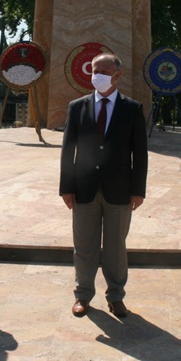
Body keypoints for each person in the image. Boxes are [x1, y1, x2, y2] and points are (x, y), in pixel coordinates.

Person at [60, 53, 148, 318]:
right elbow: (68, 149)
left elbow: (140, 153)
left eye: (103, 71)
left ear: (117, 75)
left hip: (119, 190)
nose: (97, 75)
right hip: (84, 189)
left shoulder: (132, 109)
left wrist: (138, 190)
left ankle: (116, 296)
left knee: (115, 248)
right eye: (94, 71)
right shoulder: (78, 107)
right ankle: (83, 294)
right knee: (84, 246)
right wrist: (66, 187)